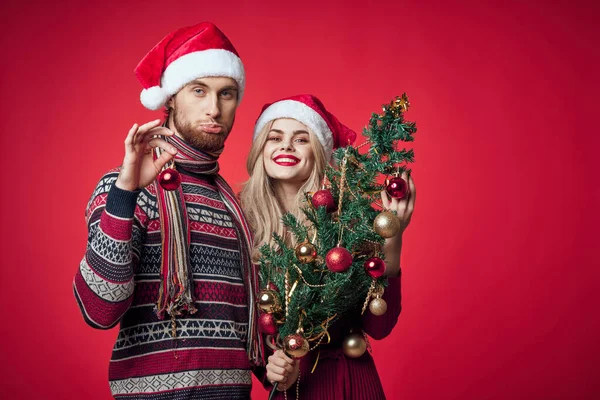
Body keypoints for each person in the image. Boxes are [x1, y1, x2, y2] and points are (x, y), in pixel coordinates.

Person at [73, 22, 263, 399]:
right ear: (171, 99)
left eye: (227, 94)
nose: (214, 108)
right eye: (199, 91)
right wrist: (126, 191)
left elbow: (253, 329)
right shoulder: (126, 189)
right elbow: (99, 309)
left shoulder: (234, 204)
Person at [239, 94, 416, 399]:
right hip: (292, 390)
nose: (286, 146)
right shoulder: (242, 226)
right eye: (274, 137)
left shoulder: (347, 222)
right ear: (260, 151)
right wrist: (273, 373)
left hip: (350, 385)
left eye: (301, 138)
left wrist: (392, 240)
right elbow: (243, 332)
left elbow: (380, 325)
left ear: (319, 152)